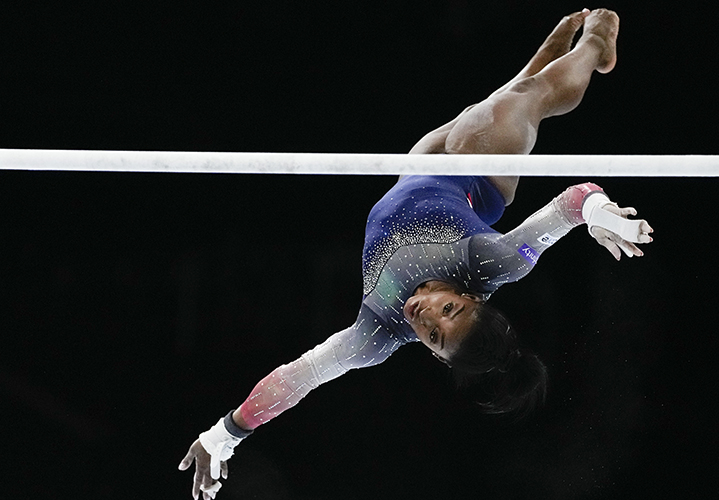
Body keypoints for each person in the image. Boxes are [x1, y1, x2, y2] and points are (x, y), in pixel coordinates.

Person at [180, 8, 652, 500]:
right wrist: (601, 213)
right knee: (525, 101)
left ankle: (555, 50)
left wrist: (225, 434)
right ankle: (598, 43)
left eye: (431, 334)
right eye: (450, 310)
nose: (425, 313)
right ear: (472, 298)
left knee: (503, 99)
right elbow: (573, 202)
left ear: (433, 354)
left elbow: (298, 380)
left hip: (419, 167)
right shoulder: (492, 264)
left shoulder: (378, 333)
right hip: (479, 172)